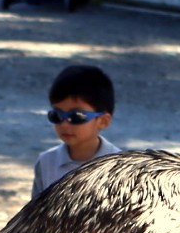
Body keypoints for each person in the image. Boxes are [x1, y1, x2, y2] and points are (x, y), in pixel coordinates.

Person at [32, 64, 119, 198]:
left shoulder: (120, 167)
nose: (65, 124)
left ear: (103, 121)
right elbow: (34, 216)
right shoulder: (46, 163)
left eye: (77, 116)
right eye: (57, 115)